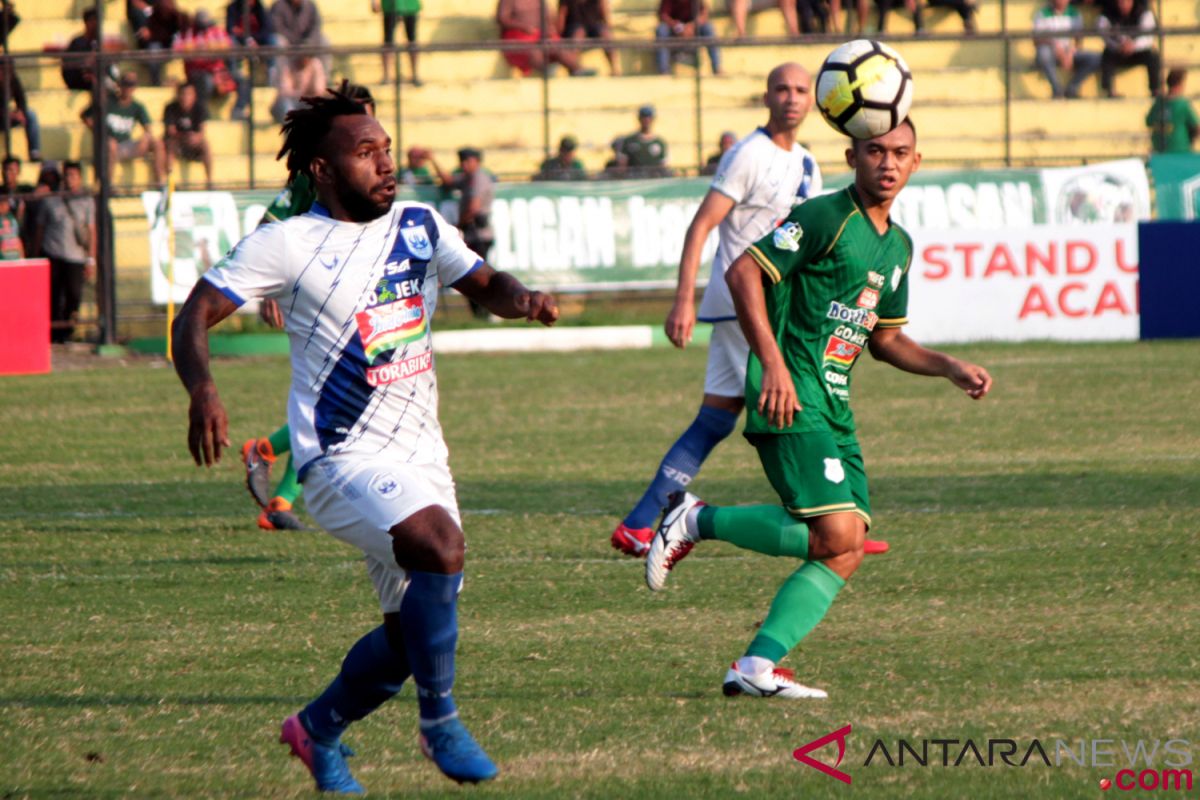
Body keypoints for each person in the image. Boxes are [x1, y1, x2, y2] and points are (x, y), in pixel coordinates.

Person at [171, 85, 559, 793]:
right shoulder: (287, 243)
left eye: (386, 149)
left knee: (413, 633)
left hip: (423, 460)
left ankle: (316, 731)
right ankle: (439, 724)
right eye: (364, 152)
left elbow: (484, 280)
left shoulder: (418, 224)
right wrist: (203, 389)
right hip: (337, 461)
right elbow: (193, 314)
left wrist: (521, 299)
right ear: (321, 170)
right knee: (439, 548)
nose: (385, 164)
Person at [643, 119, 993, 699]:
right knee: (835, 532)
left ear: (916, 162)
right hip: (791, 393)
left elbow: (884, 339)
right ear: (851, 155)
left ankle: (755, 665)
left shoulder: (898, 245)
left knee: (848, 546)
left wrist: (947, 366)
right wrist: (773, 364)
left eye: (900, 153)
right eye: (876, 151)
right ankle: (694, 520)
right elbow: (742, 271)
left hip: (834, 406)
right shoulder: (825, 216)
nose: (888, 162)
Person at [612, 63, 889, 559]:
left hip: (767, 304)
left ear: (816, 100)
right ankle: (833, 523)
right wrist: (683, 299)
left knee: (715, 419)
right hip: (749, 305)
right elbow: (702, 226)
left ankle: (636, 524)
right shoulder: (748, 155)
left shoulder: (807, 162)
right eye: (781, 88)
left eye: (801, 90)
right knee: (803, 399)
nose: (791, 97)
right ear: (766, 95)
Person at [33, 161, 95, 344]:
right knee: (52, 295)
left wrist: (91, 258)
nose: (70, 179)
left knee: (74, 295)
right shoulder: (51, 199)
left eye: (74, 176)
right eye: (68, 175)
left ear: (80, 178)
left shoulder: (86, 200)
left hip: (76, 256)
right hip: (53, 253)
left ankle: (67, 332)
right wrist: (36, 255)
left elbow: (91, 231)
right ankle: (52, 334)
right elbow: (40, 228)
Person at [82, 72, 167, 185]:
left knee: (157, 143)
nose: (128, 88)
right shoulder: (108, 101)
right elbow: (86, 116)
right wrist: (99, 133)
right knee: (111, 145)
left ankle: (160, 183)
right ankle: (107, 186)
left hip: (127, 145)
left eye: (131, 85)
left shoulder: (137, 106)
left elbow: (148, 129)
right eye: (126, 84)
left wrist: (146, 138)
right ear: (119, 85)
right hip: (109, 145)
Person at [174, 8, 251, 119]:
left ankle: (238, 110)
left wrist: (213, 48)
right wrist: (198, 49)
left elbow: (228, 47)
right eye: (201, 25)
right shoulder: (188, 33)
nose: (204, 28)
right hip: (198, 74)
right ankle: (203, 114)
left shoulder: (217, 32)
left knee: (243, 81)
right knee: (206, 81)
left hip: (219, 73)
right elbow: (177, 48)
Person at [496, 0, 594, 77]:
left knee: (556, 46)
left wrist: (550, 28)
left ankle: (577, 70)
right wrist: (523, 27)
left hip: (540, 36)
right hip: (518, 37)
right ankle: (546, 74)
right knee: (535, 52)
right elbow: (502, 18)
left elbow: (549, 16)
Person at [1033, 0, 1101, 99]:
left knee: (1096, 58)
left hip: (1069, 52)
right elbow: (1037, 39)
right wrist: (1055, 46)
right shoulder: (1042, 14)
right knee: (1043, 53)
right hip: (1051, 52)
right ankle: (1057, 90)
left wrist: (1069, 54)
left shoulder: (1075, 13)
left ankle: (1072, 88)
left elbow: (1078, 40)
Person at [1098, 0, 1160, 98]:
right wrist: (1119, 46)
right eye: (1120, 2)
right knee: (1107, 54)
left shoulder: (1143, 12)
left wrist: (1133, 46)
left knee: (1153, 56)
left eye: (1126, 2)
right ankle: (1109, 91)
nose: (1123, 5)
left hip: (1138, 52)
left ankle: (1155, 90)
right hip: (1118, 51)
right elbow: (1105, 36)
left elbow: (1148, 37)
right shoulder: (1108, 13)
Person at [163, 81, 214, 189]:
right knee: (170, 145)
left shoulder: (199, 108)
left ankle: (209, 181)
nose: (185, 97)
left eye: (189, 94)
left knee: (205, 144)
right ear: (178, 95)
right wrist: (184, 136)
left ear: (194, 95)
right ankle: (169, 180)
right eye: (183, 94)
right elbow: (171, 131)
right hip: (177, 141)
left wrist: (196, 137)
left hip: (193, 143)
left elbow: (202, 131)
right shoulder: (170, 108)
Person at [655, 0, 720, 77]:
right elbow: (663, 15)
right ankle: (663, 71)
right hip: (674, 29)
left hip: (693, 28)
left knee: (708, 28)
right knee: (662, 30)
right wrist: (678, 28)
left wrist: (692, 26)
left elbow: (704, 13)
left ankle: (717, 68)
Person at [557, 0, 619, 76]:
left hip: (594, 25)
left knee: (605, 34)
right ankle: (574, 68)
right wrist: (558, 35)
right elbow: (562, 14)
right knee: (579, 33)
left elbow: (603, 8)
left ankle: (614, 69)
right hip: (574, 26)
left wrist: (608, 26)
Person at [1147, 68, 1199, 153]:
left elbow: (1149, 122)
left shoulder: (1159, 103)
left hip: (1159, 150)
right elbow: (1197, 126)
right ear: (1180, 84)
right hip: (1180, 150)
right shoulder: (1182, 104)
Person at [0, 59, 42, 162]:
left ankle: (34, 152)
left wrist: (20, 112)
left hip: (7, 116)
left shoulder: (12, 79)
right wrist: (10, 114)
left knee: (31, 115)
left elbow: (21, 98)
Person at [372, 0, 421, 86]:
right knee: (388, 42)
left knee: (412, 42)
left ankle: (415, 75)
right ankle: (386, 76)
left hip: (409, 5)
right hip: (390, 6)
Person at [619, 105, 669, 178]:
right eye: (644, 117)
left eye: (649, 117)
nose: (646, 120)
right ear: (639, 119)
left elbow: (663, 166)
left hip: (654, 181)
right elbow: (622, 165)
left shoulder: (659, 143)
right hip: (634, 180)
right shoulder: (629, 141)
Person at [61, 7, 101, 91]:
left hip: (96, 82)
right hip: (79, 82)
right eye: (92, 20)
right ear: (86, 22)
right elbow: (68, 70)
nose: (95, 24)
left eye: (97, 21)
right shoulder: (77, 43)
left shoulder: (99, 43)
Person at [0, 194, 24, 259]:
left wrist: (22, 257)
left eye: (6, 204)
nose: (6, 206)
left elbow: (17, 239)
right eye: (2, 204)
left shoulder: (12, 219)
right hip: (3, 260)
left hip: (15, 257)